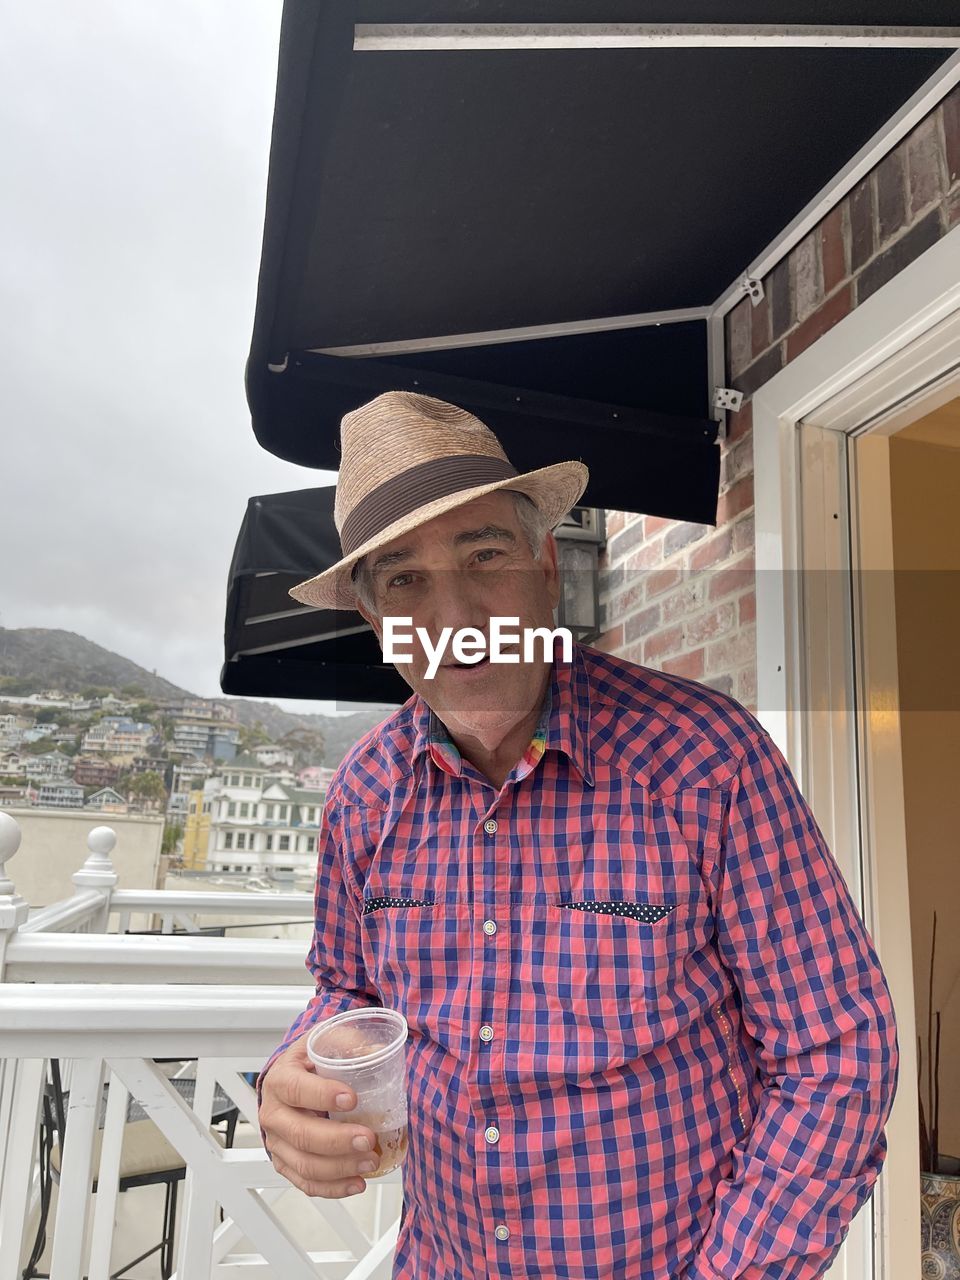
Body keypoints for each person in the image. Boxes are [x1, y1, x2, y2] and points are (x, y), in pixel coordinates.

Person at [256, 390, 900, 1280]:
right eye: (404, 579)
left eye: (485, 555)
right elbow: (346, 987)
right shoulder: (364, 793)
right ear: (377, 621)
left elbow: (835, 1051)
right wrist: (295, 1078)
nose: (455, 615)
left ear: (547, 569)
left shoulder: (705, 760)